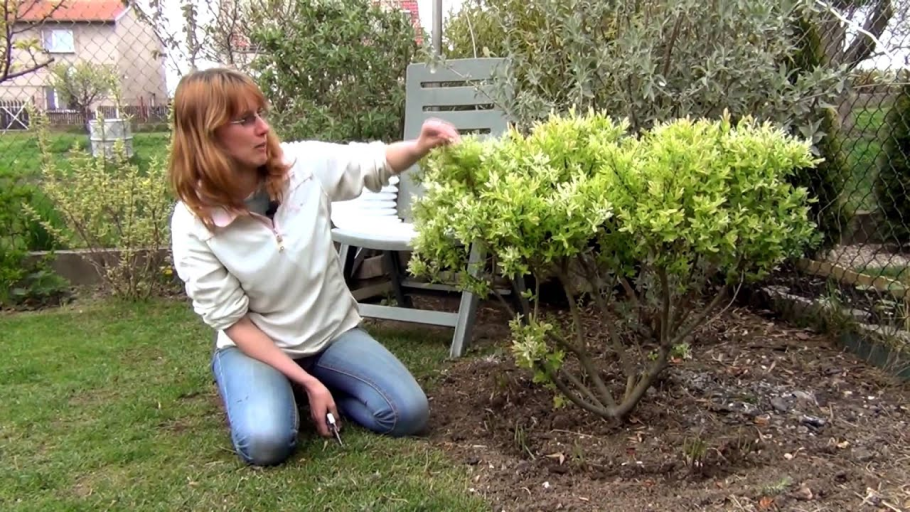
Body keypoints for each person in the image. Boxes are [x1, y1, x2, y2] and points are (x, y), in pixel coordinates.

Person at [167, 67, 460, 466]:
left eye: (260, 113)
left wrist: (421, 145)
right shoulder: (192, 223)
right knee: (266, 443)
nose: (262, 128)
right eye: (245, 119)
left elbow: (369, 163)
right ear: (206, 134)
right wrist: (304, 379)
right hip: (257, 349)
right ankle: (283, 386)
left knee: (406, 413)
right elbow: (232, 321)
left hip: (331, 334)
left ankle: (319, 388)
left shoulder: (299, 167)